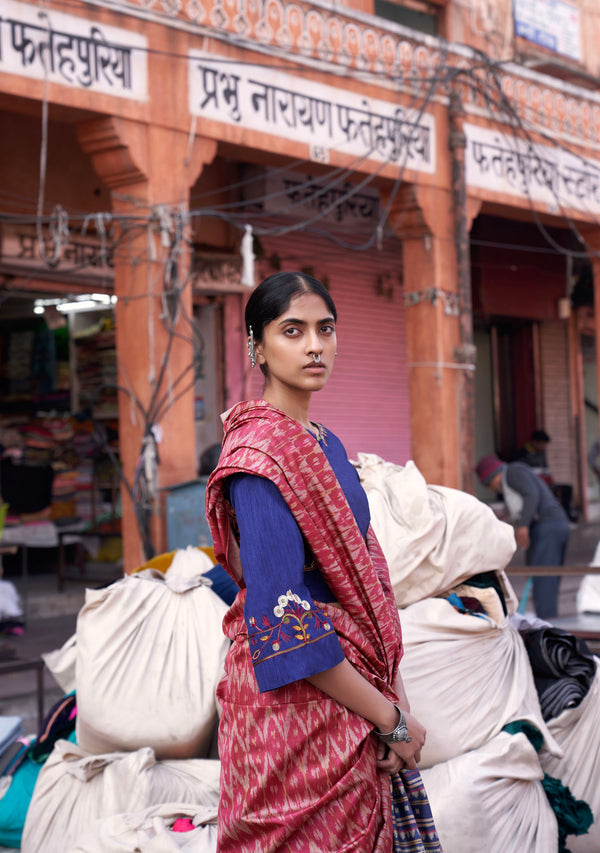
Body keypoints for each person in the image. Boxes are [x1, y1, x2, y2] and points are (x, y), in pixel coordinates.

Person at [206, 271, 440, 852]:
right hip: (293, 716)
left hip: (356, 687)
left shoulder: (324, 441)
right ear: (258, 346)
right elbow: (285, 623)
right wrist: (390, 719)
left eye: (325, 329)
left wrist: (395, 704)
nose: (314, 345)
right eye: (293, 330)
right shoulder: (258, 457)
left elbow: (367, 575)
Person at [476, 453, 571, 620]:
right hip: (551, 526)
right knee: (544, 576)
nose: (492, 489)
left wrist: (523, 526)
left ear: (492, 477)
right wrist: (529, 564)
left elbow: (531, 495)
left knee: (544, 578)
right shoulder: (512, 481)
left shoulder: (513, 472)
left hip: (548, 525)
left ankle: (546, 621)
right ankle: (549, 618)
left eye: (489, 484)